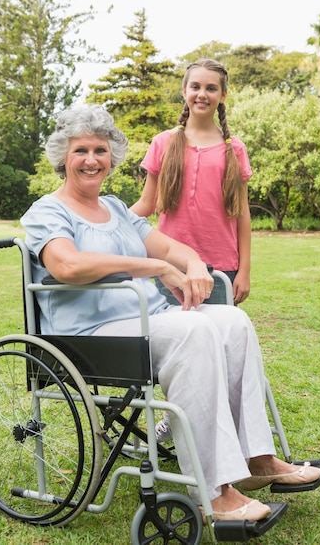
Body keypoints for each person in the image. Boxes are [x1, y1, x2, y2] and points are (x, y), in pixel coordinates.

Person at [20, 104, 320, 524]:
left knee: (232, 321)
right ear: (62, 157)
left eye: (101, 151)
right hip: (89, 333)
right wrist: (156, 268)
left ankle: (258, 459)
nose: (92, 160)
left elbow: (168, 247)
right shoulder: (47, 211)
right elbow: (66, 266)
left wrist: (193, 263)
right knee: (193, 329)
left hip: (146, 319)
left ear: (113, 157)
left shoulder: (118, 210)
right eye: (81, 151)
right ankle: (215, 491)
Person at [130, 58, 252, 442]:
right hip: (170, 265)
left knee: (220, 346)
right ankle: (177, 417)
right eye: (195, 86)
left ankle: (220, 429)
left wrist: (244, 270)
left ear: (223, 96)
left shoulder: (234, 149)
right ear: (184, 92)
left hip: (220, 268)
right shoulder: (164, 143)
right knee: (182, 342)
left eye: (211, 88)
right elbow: (147, 206)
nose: (202, 94)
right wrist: (107, 219)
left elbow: (243, 215)